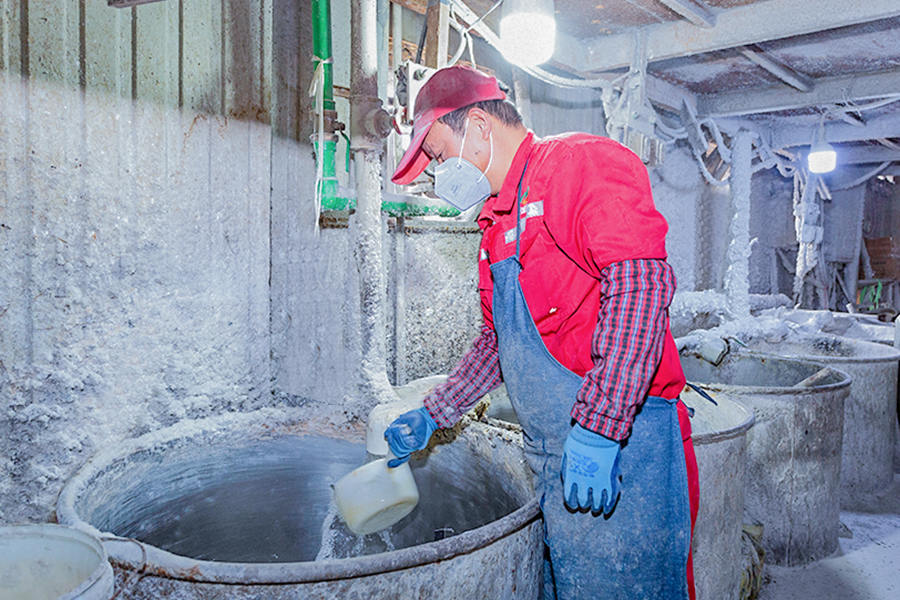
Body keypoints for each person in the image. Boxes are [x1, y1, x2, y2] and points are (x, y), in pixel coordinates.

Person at [384, 64, 699, 600]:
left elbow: (639, 287)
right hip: (553, 454)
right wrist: (435, 413)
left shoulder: (578, 164)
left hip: (624, 450)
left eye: (437, 155)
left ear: (479, 126)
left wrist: (601, 427)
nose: (438, 173)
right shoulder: (495, 228)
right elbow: (498, 345)